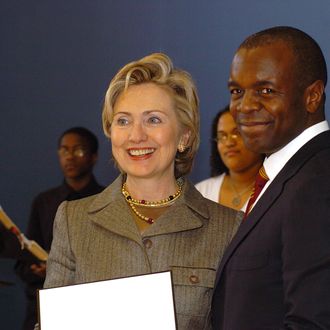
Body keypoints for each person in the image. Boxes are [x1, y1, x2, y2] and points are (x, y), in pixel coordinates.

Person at [42, 53, 240, 330]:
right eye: (123, 121)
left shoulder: (228, 228)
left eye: (154, 120)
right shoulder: (72, 220)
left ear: (184, 136)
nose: (136, 135)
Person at [211, 26, 330, 329]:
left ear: (312, 96)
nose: (245, 106)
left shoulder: (317, 183)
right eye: (237, 91)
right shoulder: (287, 176)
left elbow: (312, 322)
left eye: (265, 90)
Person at [15, 126, 104, 330]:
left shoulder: (106, 200)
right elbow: (24, 260)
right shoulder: (44, 201)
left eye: (78, 150)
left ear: (93, 157)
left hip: (92, 304)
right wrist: (37, 269)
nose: (70, 157)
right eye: (64, 150)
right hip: (44, 305)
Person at [195, 105, 263, 211]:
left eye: (237, 133)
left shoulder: (275, 192)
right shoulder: (201, 193)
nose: (229, 143)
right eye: (222, 136)